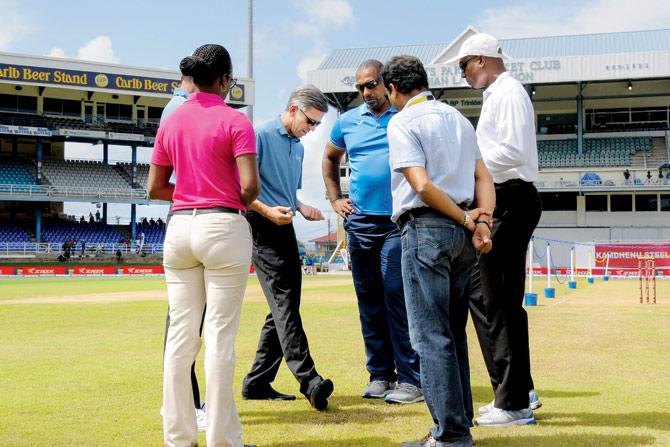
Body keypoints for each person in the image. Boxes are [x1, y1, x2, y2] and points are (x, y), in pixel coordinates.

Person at [149, 43, 259, 447]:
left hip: (179, 230)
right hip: (222, 225)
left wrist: (193, 191)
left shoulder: (172, 121)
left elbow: (155, 187)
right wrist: (223, 196)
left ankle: (178, 437)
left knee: (181, 337)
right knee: (219, 337)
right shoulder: (235, 121)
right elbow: (249, 187)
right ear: (226, 80)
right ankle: (221, 439)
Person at [382, 55, 495, 447]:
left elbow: (423, 185)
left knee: (430, 337)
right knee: (452, 333)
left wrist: (470, 222)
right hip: (462, 231)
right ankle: (460, 421)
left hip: (427, 227)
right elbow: (484, 176)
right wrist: (480, 222)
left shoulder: (402, 121)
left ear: (393, 89)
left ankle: (450, 435)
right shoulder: (459, 119)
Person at [450, 32, 542, 426]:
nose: (463, 73)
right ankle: (515, 392)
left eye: (464, 65)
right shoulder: (498, 94)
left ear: (483, 59)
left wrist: (470, 162)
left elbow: (513, 152)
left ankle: (514, 403)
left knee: (500, 302)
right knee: (491, 299)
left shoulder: (508, 93)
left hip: (509, 197)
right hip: (501, 197)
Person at [322, 59, 422, 404]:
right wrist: (336, 199)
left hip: (398, 221)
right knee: (369, 301)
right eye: (360, 87)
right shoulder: (347, 122)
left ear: (386, 83)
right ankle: (380, 374)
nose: (366, 92)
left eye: (372, 84)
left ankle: (411, 378)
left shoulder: (404, 116)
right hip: (361, 223)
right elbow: (330, 160)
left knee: (397, 296)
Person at [241, 85, 334, 411]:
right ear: (293, 109)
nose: (311, 131)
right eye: (310, 122)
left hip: (285, 226)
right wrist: (268, 211)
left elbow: (285, 191)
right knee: (285, 304)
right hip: (262, 227)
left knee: (284, 306)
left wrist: (301, 205)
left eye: (317, 126)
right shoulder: (260, 135)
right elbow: (245, 189)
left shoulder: (298, 147)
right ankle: (309, 380)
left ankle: (258, 382)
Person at [157, 72, 207, 431]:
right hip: (196, 218)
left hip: (183, 220)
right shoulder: (182, 110)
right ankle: (184, 405)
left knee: (183, 322)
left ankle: (180, 405)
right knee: (187, 324)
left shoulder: (175, 110)